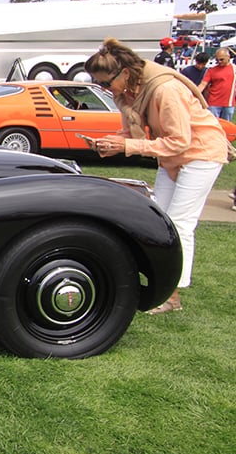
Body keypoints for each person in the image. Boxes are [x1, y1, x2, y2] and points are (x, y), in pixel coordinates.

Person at [84, 37, 230, 314]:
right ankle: (159, 285)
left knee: (179, 224)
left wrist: (126, 145)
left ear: (124, 72)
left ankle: (171, 296)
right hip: (172, 157)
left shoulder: (165, 90)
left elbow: (180, 140)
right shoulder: (128, 91)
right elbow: (131, 133)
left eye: (105, 82)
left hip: (201, 153)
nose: (103, 88)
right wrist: (109, 144)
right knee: (156, 219)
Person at [197, 48, 235, 121]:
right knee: (214, 125)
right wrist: (194, 93)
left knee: (226, 126)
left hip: (229, 103)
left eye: (221, 59)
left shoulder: (234, 69)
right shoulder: (211, 70)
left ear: (228, 57)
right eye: (217, 60)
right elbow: (203, 84)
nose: (219, 62)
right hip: (213, 103)